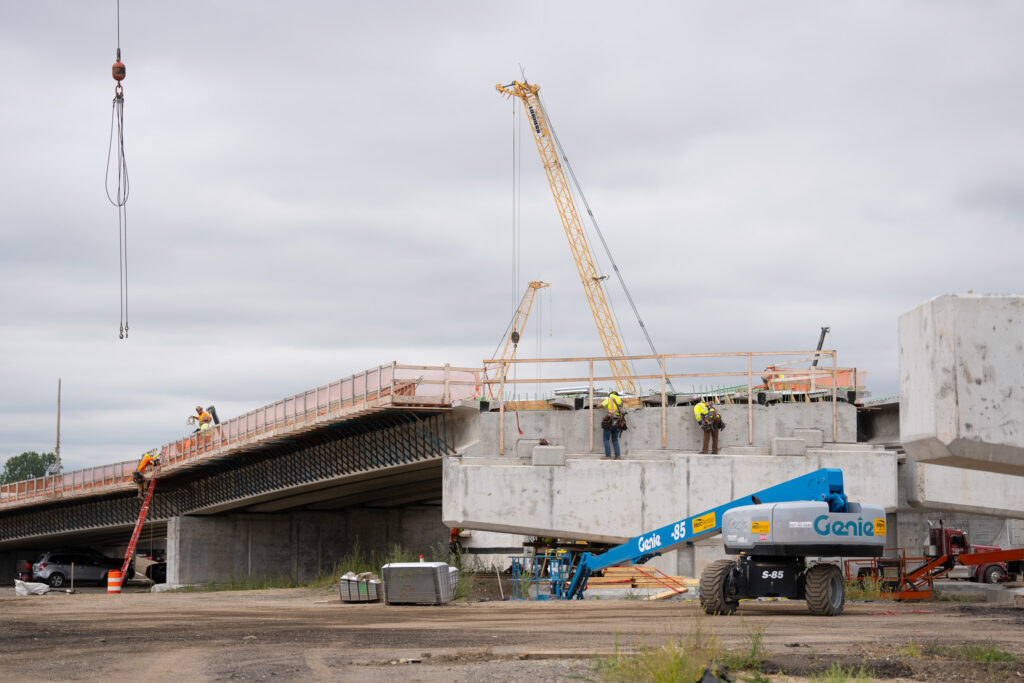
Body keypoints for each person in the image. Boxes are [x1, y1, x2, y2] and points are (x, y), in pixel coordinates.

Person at [600, 390, 624, 459]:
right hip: (618, 421)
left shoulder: (609, 399)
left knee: (606, 439)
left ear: (610, 394)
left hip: (609, 421)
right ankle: (617, 456)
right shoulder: (620, 401)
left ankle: (608, 456)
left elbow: (600, 405)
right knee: (615, 440)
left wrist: (597, 405)